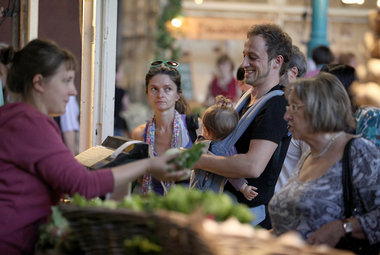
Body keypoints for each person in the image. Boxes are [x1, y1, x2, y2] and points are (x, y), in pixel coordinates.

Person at [0, 39, 187, 254]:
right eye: (67, 80)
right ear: (39, 83)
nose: (73, 91)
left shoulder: (15, 115)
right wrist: (149, 165)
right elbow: (83, 184)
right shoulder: (30, 122)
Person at [194, 23, 292, 229]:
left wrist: (199, 159)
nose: (243, 63)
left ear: (277, 62)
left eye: (253, 57)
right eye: (244, 55)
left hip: (248, 222)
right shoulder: (247, 97)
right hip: (224, 214)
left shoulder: (276, 105)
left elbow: (252, 166)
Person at [268, 73, 380, 250]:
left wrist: (343, 227)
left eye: (294, 107)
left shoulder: (358, 150)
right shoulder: (310, 154)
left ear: (318, 109)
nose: (286, 116)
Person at [132, 60, 199, 195]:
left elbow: (207, 169)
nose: (160, 95)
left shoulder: (195, 126)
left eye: (168, 89)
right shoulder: (139, 134)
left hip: (189, 205)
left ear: (178, 95)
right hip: (152, 206)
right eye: (154, 89)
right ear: (147, 93)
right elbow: (139, 177)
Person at [190, 95, 257, 201]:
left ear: (206, 130)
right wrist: (244, 188)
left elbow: (231, 172)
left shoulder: (217, 147)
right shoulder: (226, 147)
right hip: (206, 191)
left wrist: (243, 187)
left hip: (205, 192)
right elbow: (232, 171)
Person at [275, 45, 308, 193]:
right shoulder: (274, 105)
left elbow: (308, 174)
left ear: (293, 73)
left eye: (278, 70)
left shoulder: (305, 118)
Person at [114, 58, 130, 137]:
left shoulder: (106, 91)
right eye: (121, 72)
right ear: (116, 74)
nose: (122, 74)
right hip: (118, 126)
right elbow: (127, 107)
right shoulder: (121, 91)